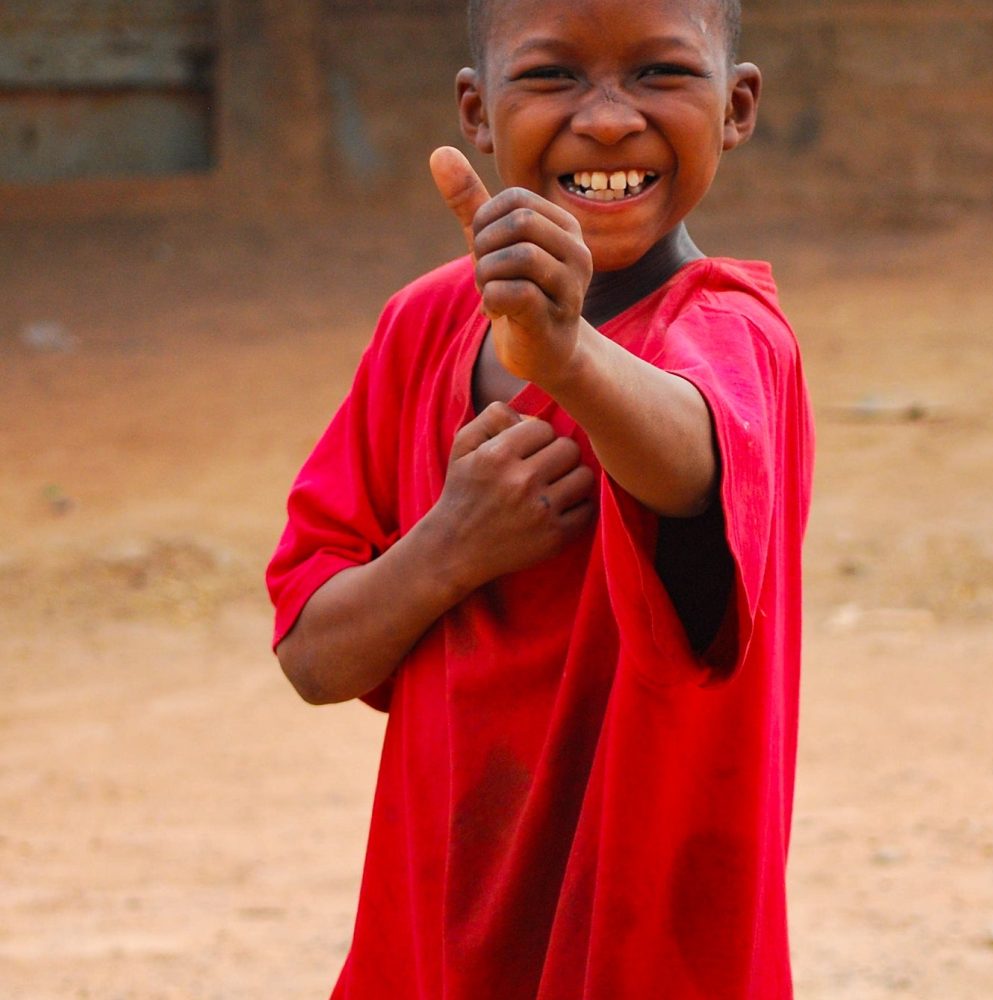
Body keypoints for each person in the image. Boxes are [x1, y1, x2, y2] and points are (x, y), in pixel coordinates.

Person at [266, 0, 814, 995]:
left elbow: (695, 461)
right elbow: (313, 653)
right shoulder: (420, 326)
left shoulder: (734, 333)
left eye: (660, 73)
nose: (607, 119)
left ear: (736, 107)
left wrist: (563, 358)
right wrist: (449, 546)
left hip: (647, 946)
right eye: (552, 75)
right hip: (431, 943)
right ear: (476, 113)